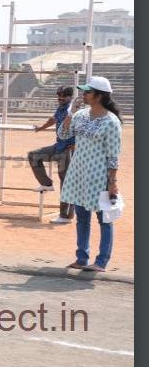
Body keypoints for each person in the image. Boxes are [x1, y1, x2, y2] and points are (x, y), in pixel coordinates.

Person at [58, 76, 123, 273]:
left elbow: (113, 155)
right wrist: (70, 114)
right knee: (82, 218)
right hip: (79, 174)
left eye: (87, 92)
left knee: (104, 219)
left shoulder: (111, 122)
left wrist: (112, 181)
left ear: (99, 96)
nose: (83, 95)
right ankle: (81, 258)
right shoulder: (80, 116)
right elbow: (63, 135)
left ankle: (101, 261)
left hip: (99, 176)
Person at [28, 86, 76, 224]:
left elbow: (82, 127)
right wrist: (41, 128)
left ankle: (66, 216)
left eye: (63, 96)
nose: (60, 98)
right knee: (34, 156)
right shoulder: (61, 108)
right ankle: (46, 183)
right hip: (59, 146)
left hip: (68, 149)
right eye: (59, 95)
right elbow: (53, 119)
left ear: (70, 97)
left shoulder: (73, 110)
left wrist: (77, 143)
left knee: (66, 181)